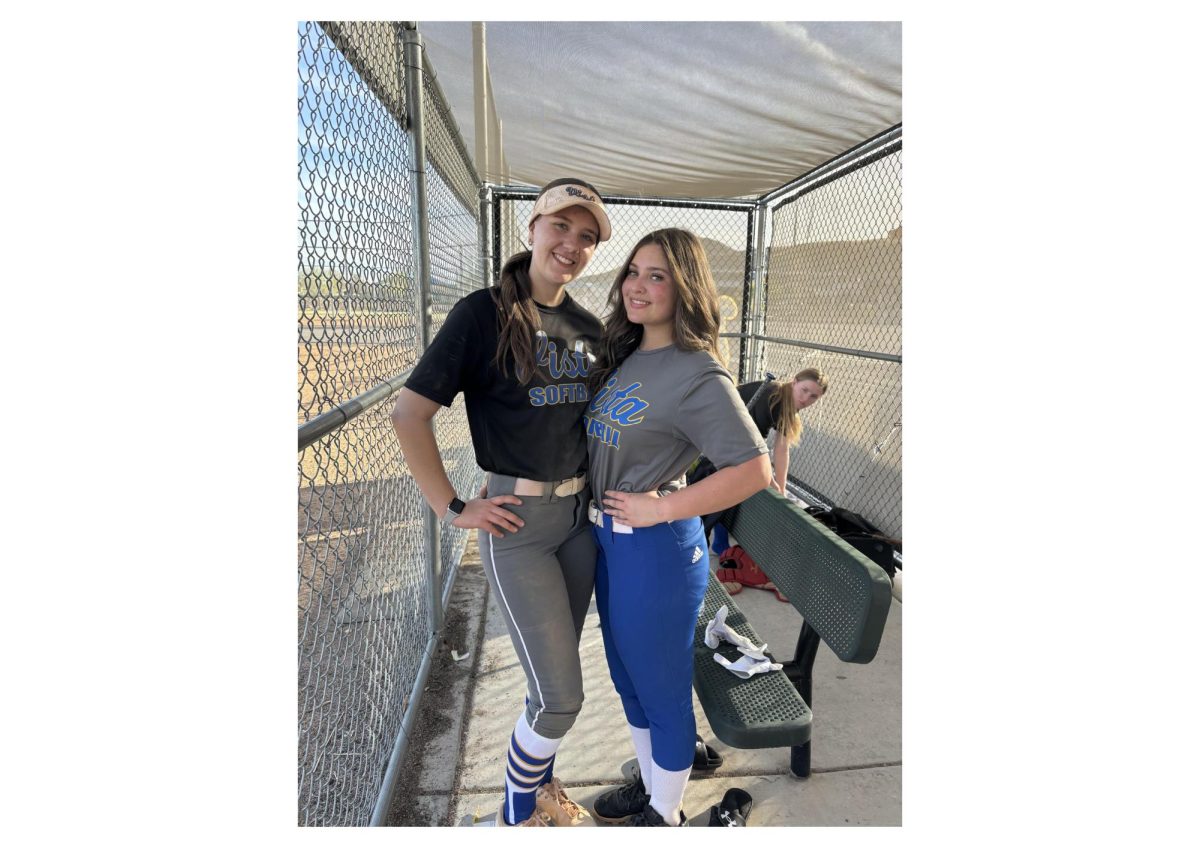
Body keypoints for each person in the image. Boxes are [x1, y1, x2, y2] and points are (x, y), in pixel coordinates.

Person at [391, 178, 611, 828]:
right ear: (533, 227)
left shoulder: (587, 326)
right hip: (517, 525)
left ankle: (540, 792)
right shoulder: (482, 314)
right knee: (561, 699)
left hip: (578, 523)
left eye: (586, 236)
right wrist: (454, 508)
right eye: (560, 227)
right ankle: (513, 822)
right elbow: (410, 415)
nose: (570, 244)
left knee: (549, 686)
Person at [583, 228, 772, 826]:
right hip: (612, 541)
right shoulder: (633, 353)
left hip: (656, 550)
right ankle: (652, 789)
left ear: (683, 287)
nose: (637, 286)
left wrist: (664, 506)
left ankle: (664, 816)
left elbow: (755, 470)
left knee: (661, 690)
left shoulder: (697, 373)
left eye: (656, 275)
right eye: (633, 271)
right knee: (627, 679)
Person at [696, 368, 830, 554]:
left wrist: (781, 488)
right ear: (795, 381)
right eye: (804, 390)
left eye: (814, 396)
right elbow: (755, 445)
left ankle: (719, 540)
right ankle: (705, 540)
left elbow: (782, 449)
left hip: (729, 443)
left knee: (738, 486)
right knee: (732, 485)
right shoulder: (772, 394)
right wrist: (771, 480)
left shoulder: (789, 407)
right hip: (713, 436)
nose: (806, 399)